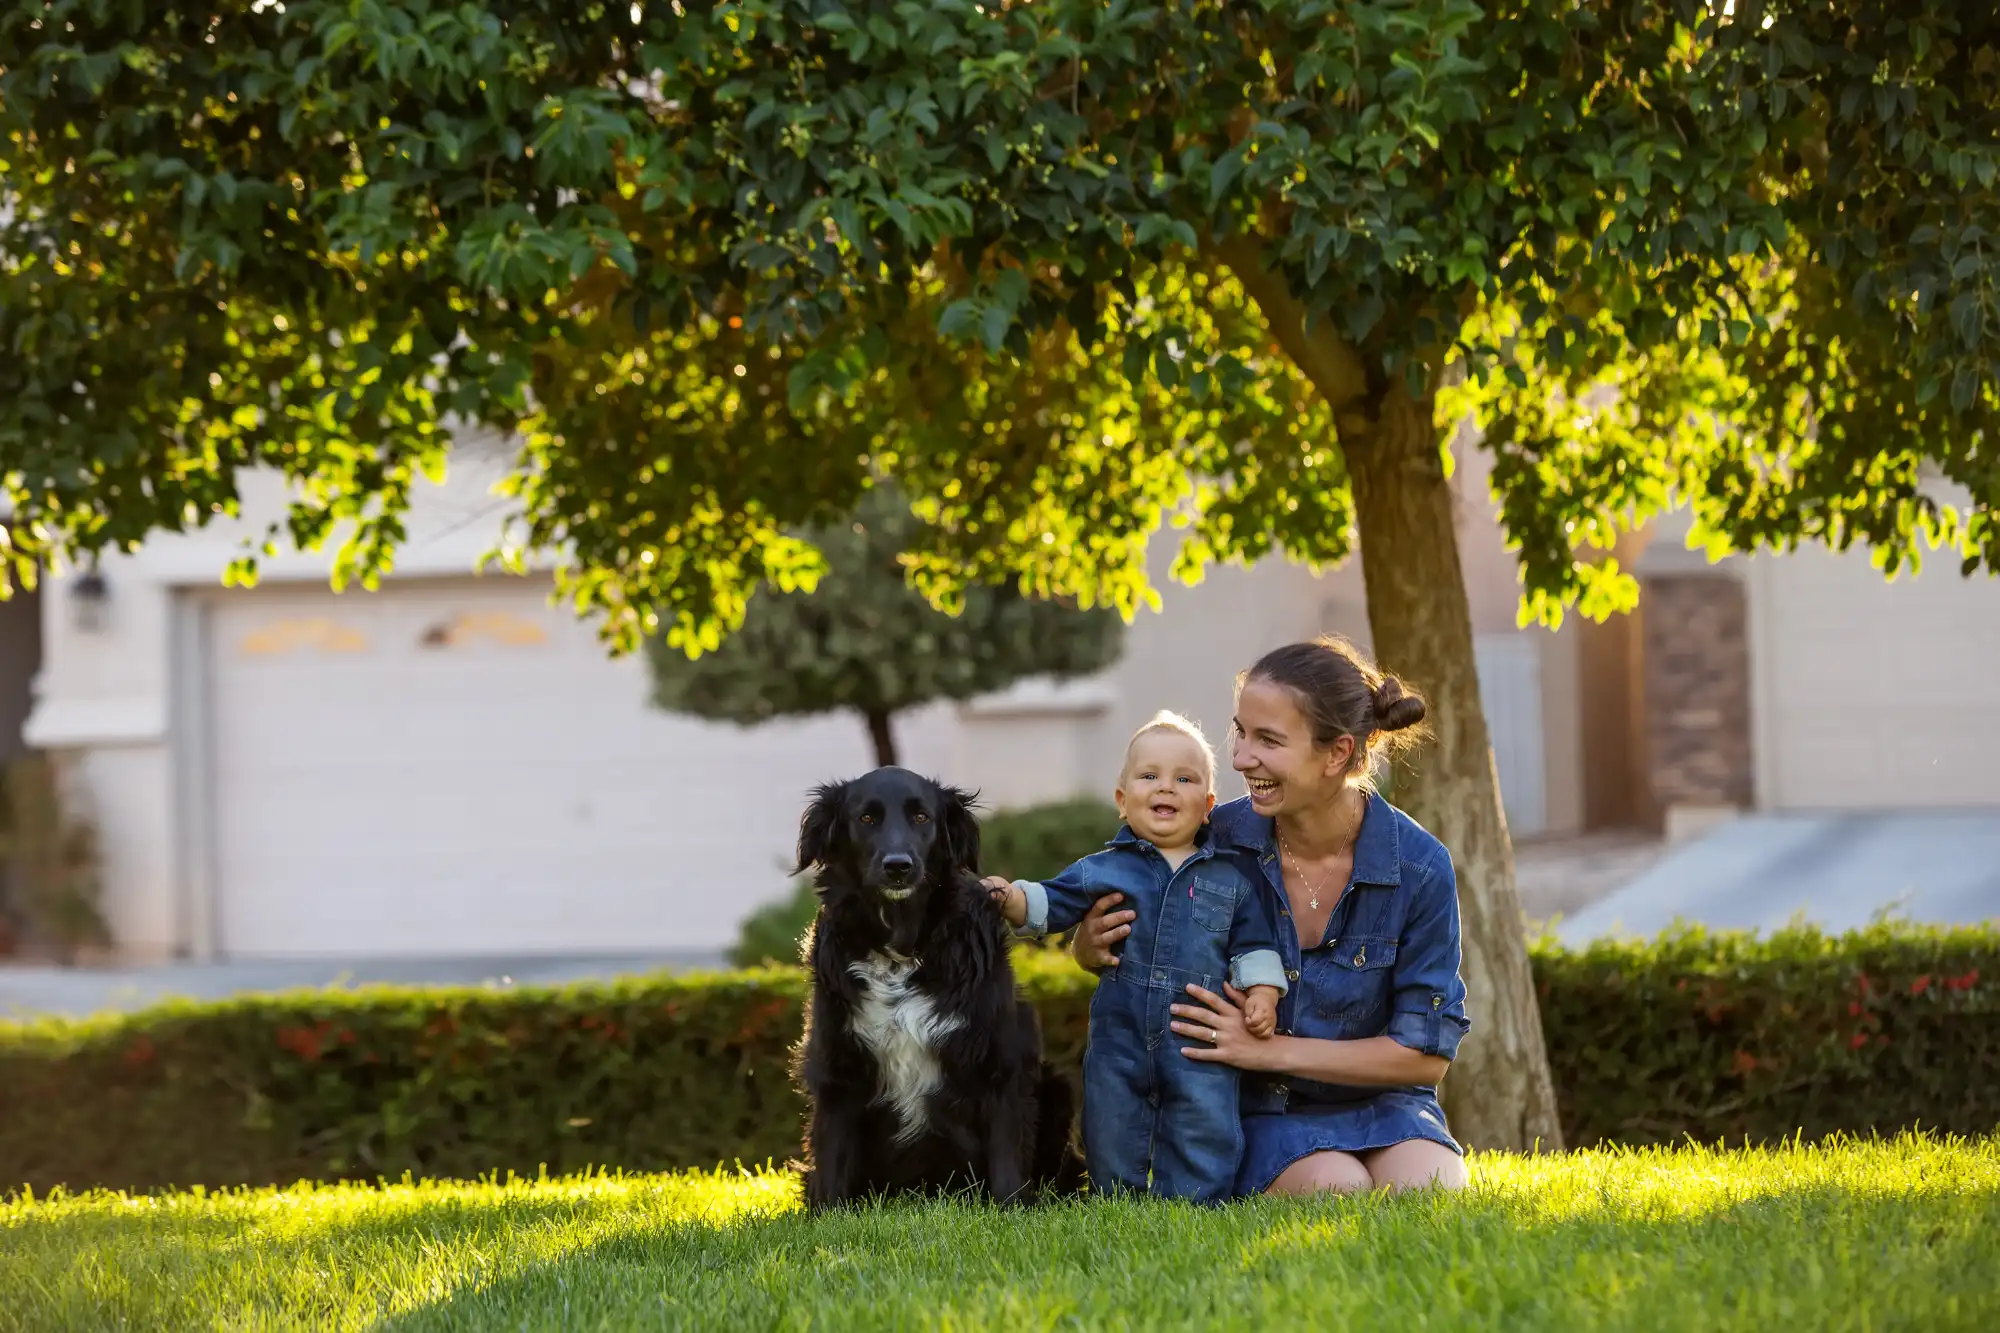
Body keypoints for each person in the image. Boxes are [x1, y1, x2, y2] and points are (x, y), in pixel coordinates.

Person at [1064, 637, 1472, 1195]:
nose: (1239, 759)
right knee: (1338, 1187)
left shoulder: (1420, 867)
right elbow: (1132, 931)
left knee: (1430, 1189)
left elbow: (1424, 1058)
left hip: (1385, 1103)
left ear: (1336, 753)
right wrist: (1088, 948)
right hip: (1256, 1109)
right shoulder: (1212, 843)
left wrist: (1268, 1049)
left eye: (1268, 741)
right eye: (1241, 732)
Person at [985, 711, 1287, 1203]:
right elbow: (1052, 901)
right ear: (1123, 801)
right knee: (1111, 1124)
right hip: (1118, 1042)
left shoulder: (1231, 880)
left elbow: (1255, 945)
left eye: (1184, 779)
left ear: (1208, 805)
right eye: (1150, 776)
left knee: (1203, 1125)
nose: (1166, 788)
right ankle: (1115, 1201)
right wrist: (1012, 898)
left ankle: (1195, 1205)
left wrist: (1264, 993)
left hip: (1196, 1044)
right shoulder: (1104, 870)